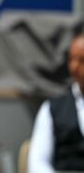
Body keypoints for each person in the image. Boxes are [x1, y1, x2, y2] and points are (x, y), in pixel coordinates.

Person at [28, 34, 84, 173]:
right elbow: (37, 163)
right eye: (71, 59)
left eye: (82, 60)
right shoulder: (52, 108)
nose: (74, 66)